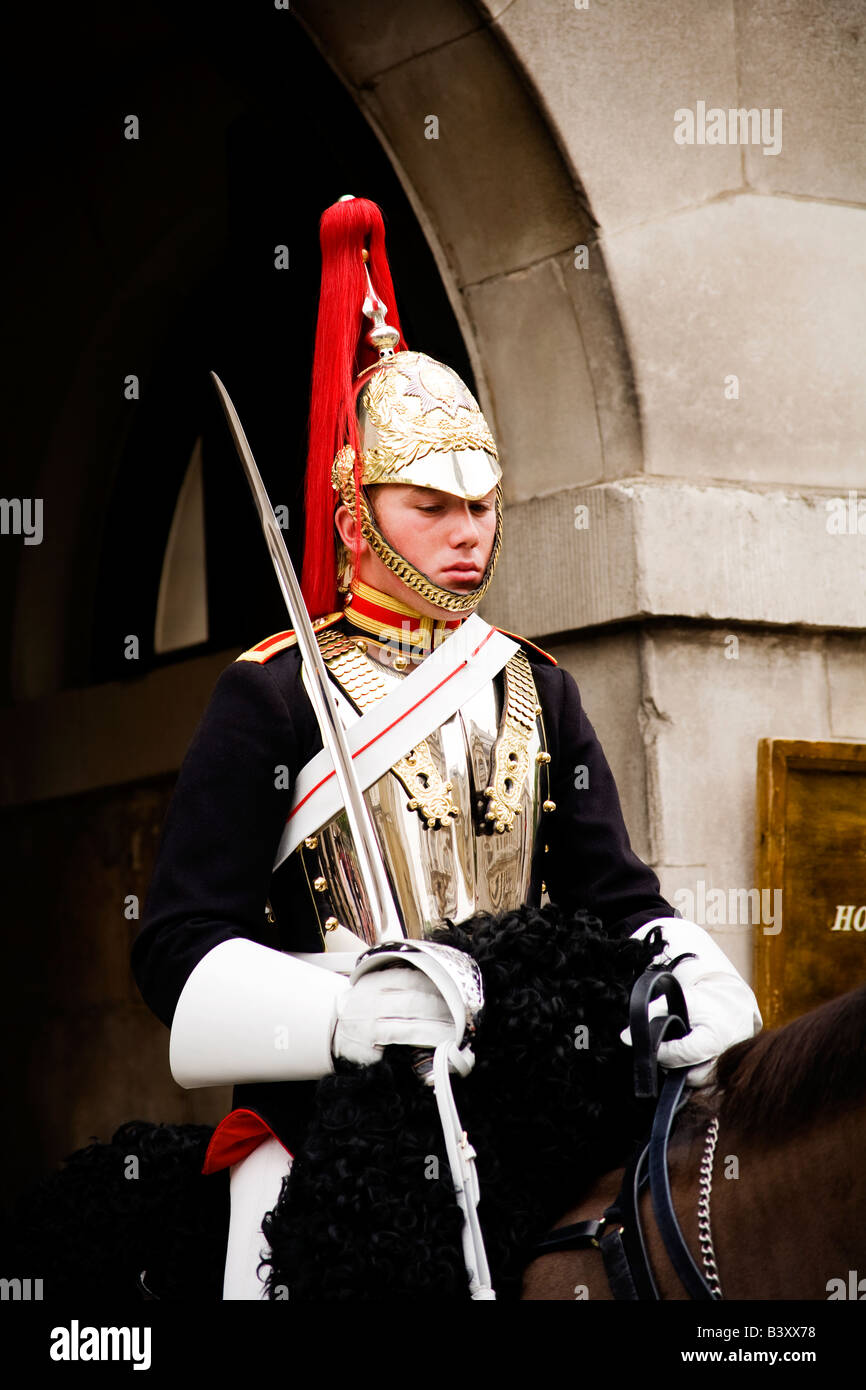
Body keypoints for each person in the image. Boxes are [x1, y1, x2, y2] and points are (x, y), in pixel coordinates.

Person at [132, 195, 761, 1300]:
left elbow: (613, 897)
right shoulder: (274, 695)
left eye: (482, 505)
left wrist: (691, 972)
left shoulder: (534, 685)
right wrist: (341, 1009)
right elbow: (177, 944)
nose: (469, 533)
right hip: (326, 1121)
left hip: (524, 1106)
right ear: (354, 508)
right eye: (431, 505)